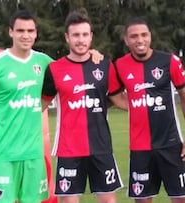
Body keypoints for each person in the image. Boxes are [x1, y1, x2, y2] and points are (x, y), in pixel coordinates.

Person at [41, 11, 128, 203]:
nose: (80, 40)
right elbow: (40, 105)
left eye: (84, 34)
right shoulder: (55, 69)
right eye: (75, 35)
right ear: (67, 37)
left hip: (101, 148)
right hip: (68, 150)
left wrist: (150, 104)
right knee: (69, 201)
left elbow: (119, 100)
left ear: (91, 36)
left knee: (108, 201)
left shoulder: (105, 66)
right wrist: (4, 112)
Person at [0, 10, 53, 203]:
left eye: (30, 31)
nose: (25, 35)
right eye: (20, 30)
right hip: (4, 153)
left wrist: (91, 53)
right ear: (11, 32)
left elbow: (71, 72)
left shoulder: (44, 62)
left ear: (36, 33)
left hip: (33, 153)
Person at [114, 17, 185, 203]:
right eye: (134, 36)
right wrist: (135, 105)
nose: (140, 40)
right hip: (140, 148)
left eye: (144, 35)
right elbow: (114, 94)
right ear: (126, 40)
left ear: (150, 36)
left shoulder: (170, 61)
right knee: (142, 200)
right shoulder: (119, 65)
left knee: (181, 199)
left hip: (171, 145)